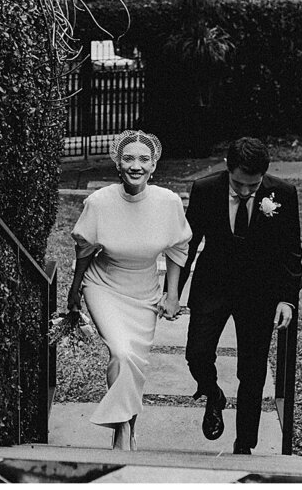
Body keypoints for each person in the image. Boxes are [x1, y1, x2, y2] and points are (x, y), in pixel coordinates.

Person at [67, 129, 191, 450]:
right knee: (121, 352)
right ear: (118, 165)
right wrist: (74, 292)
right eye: (128, 158)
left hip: (145, 292)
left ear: (153, 167)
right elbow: (84, 252)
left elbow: (177, 249)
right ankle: (122, 431)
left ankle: (127, 427)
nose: (136, 165)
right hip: (104, 285)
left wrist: (172, 294)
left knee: (134, 363)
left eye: (143, 159)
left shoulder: (168, 203)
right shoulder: (99, 202)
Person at [179, 136, 302, 455]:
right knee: (197, 353)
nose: (246, 191)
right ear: (227, 168)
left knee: (252, 371)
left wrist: (286, 298)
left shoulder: (284, 194)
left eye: (253, 185)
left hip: (259, 292)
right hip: (213, 285)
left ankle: (244, 446)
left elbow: (291, 251)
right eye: (239, 184)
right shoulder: (205, 190)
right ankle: (214, 394)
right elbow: (188, 245)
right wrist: (173, 295)